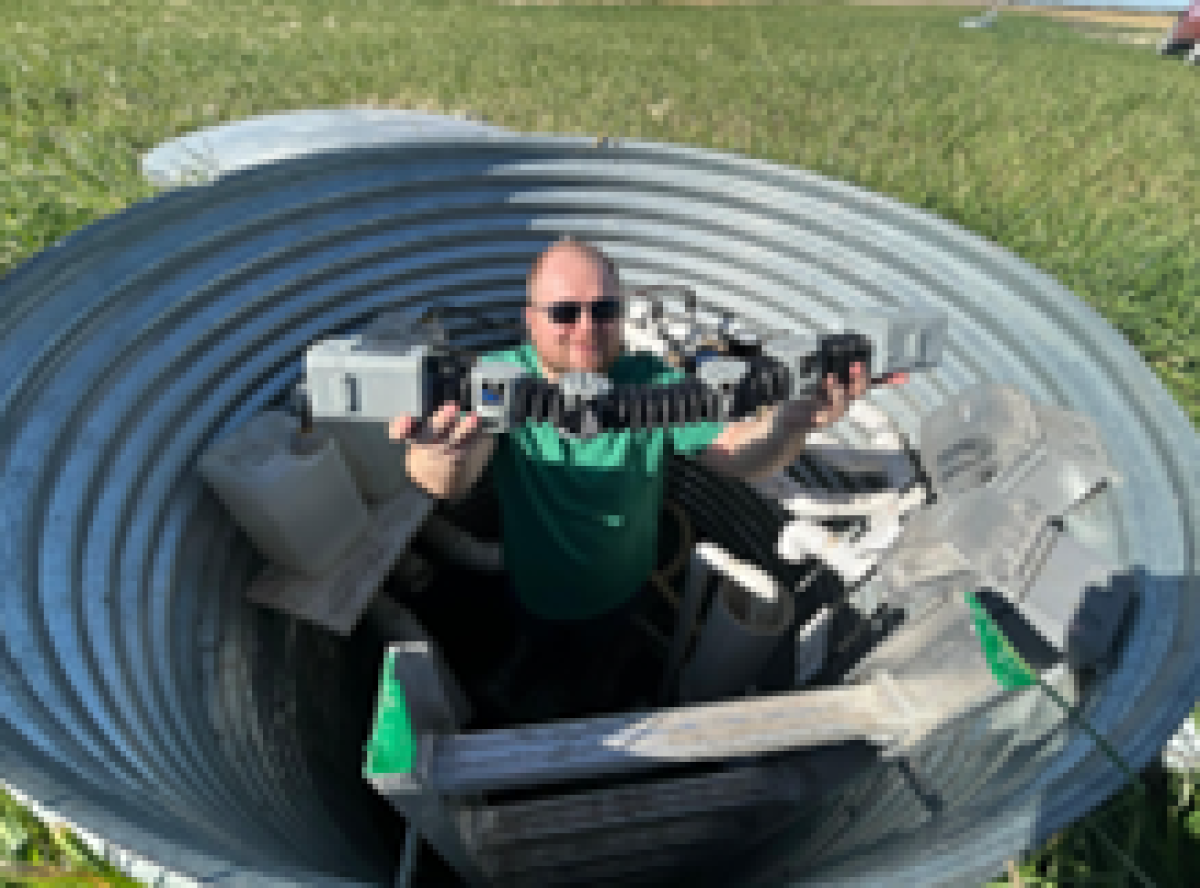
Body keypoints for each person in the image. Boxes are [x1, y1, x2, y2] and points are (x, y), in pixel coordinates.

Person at [388, 237, 907, 720]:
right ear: (531, 320)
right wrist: (440, 451)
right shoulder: (499, 382)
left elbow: (735, 454)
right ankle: (527, 683)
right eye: (565, 312)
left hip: (623, 589)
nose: (587, 327)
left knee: (603, 664)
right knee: (536, 646)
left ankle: (595, 700)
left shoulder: (653, 384)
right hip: (535, 588)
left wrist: (790, 426)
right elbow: (443, 482)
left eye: (604, 309)